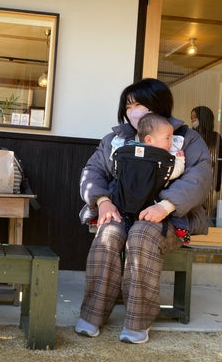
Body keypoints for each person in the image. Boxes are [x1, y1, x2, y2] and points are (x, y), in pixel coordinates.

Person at [75, 78, 212, 344]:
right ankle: (92, 314)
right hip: (120, 210)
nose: (133, 111)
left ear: (158, 105)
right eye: (128, 106)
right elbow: (92, 172)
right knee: (108, 234)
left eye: (139, 104)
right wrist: (102, 201)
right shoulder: (115, 140)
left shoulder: (186, 139)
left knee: (142, 234)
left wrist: (166, 205)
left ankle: (138, 321)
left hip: (170, 218)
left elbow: (200, 176)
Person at [135, 113, 190, 244]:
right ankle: (182, 229)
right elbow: (172, 173)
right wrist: (180, 160)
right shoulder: (158, 157)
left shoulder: (135, 153)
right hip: (156, 195)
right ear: (149, 140)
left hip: (137, 195)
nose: (171, 142)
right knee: (175, 205)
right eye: (168, 138)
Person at [190, 106, 222, 225]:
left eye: (195, 117)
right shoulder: (190, 135)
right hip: (190, 178)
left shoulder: (215, 137)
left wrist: (217, 183)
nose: (192, 120)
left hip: (209, 179)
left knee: (207, 212)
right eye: (191, 118)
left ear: (203, 118)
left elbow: (221, 161)